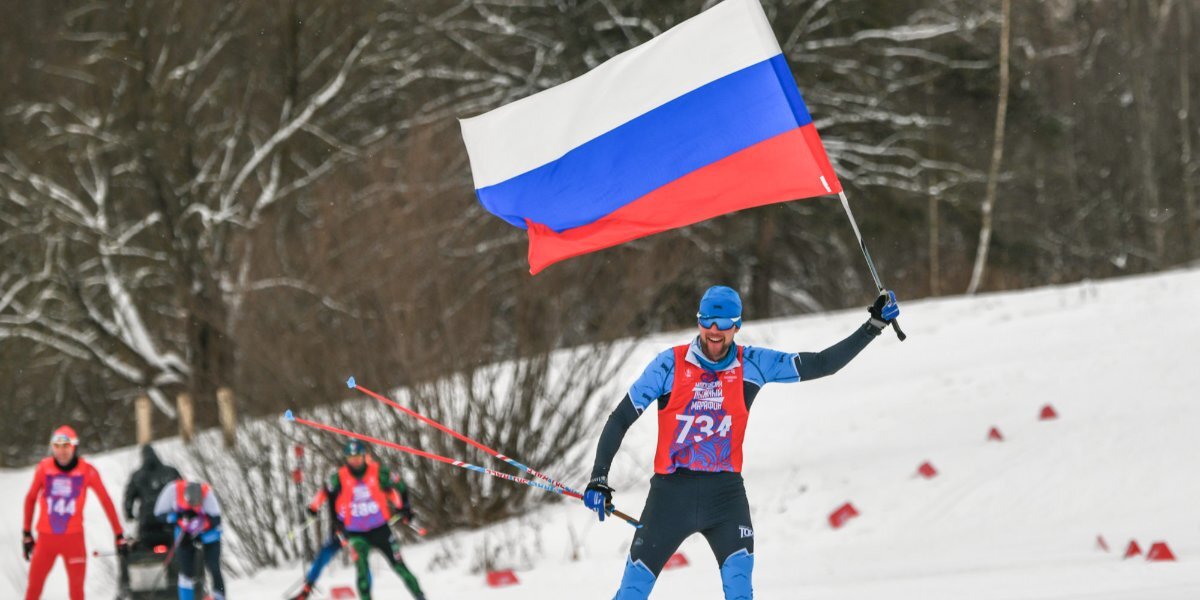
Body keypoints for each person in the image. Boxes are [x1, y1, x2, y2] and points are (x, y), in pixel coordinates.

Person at [582, 285, 900, 599]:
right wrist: (599, 477)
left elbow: (820, 364)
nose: (715, 332)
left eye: (724, 324)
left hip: (725, 498)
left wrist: (872, 327)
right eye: (708, 322)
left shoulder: (753, 364)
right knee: (632, 594)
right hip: (670, 497)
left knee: (739, 593)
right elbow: (620, 418)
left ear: (738, 326)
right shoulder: (669, 365)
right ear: (698, 321)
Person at [22, 425, 129, 600]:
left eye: (66, 446)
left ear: (74, 447)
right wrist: (26, 533)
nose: (62, 451)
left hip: (73, 540)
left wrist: (119, 534)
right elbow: (30, 498)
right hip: (46, 539)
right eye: (57, 447)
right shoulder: (44, 468)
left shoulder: (87, 470)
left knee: (77, 593)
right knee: (33, 589)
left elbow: (106, 501)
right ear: (52, 448)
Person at [316, 440, 424, 600]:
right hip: (356, 533)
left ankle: (420, 596)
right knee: (362, 572)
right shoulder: (340, 476)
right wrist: (335, 523)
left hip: (380, 529)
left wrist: (405, 509)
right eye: (351, 457)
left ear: (364, 456)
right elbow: (329, 495)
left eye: (358, 456)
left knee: (400, 567)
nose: (355, 460)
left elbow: (400, 486)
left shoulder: (378, 471)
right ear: (346, 459)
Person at [154, 479, 226, 600]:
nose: (194, 507)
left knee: (212, 565)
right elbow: (159, 514)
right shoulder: (172, 490)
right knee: (186, 570)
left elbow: (216, 520)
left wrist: (199, 526)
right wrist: (175, 517)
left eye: (197, 505)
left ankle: (219, 596)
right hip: (184, 533)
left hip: (208, 534)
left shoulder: (207, 495)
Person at [124, 444, 182, 546]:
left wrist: (129, 514)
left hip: (147, 521)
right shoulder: (170, 471)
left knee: (144, 548)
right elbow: (183, 490)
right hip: (168, 519)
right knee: (176, 547)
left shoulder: (137, 476)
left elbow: (129, 498)